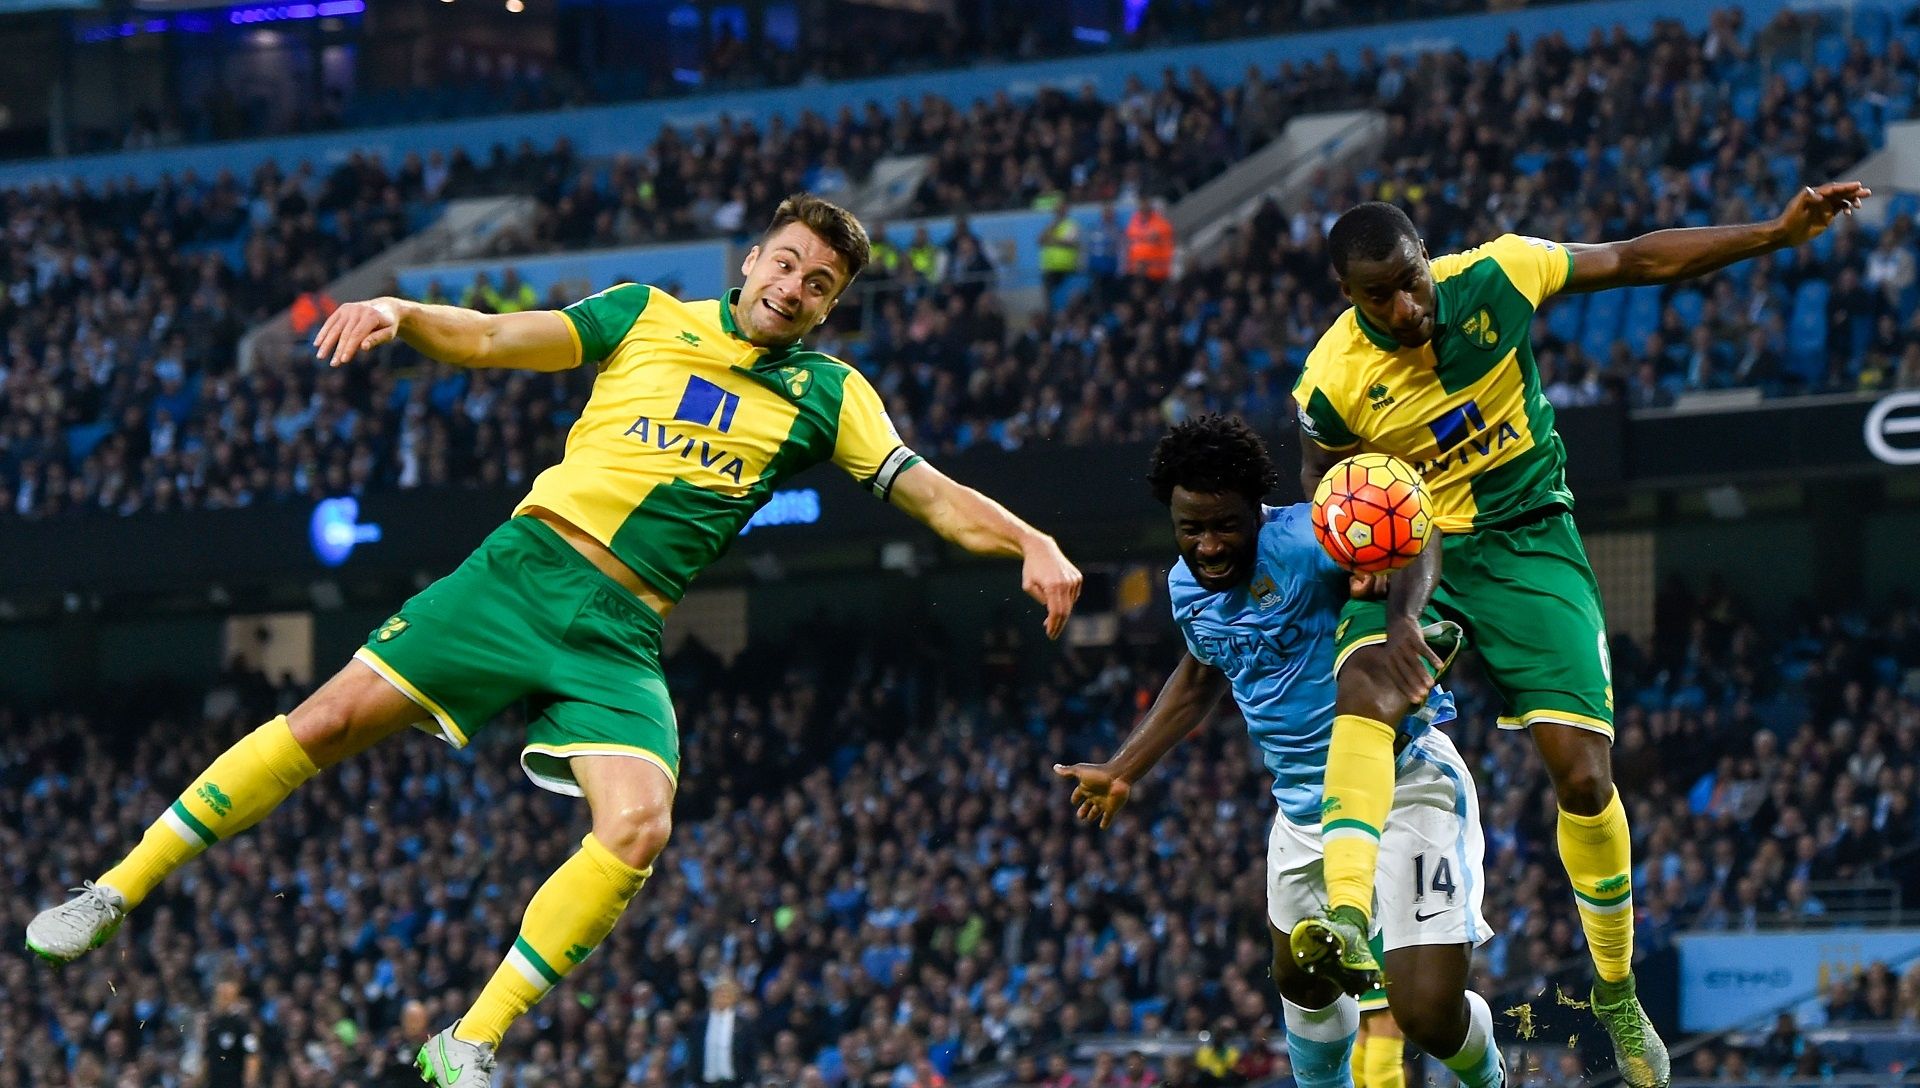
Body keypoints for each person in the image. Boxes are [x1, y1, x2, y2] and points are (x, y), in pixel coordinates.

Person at [25, 192, 1084, 1088]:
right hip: (521, 572)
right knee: (328, 717)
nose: (794, 288)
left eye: (819, 285)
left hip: (620, 631)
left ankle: (468, 1039)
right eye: (787, 263)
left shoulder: (829, 395)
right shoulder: (644, 314)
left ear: (831, 305)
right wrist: (399, 307)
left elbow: (930, 494)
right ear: (752, 258)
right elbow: (492, 336)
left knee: (640, 824)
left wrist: (1030, 536)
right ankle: (113, 887)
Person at [1290, 182, 1870, 1087]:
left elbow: (1635, 258)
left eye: (1409, 282)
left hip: (1527, 540)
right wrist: (1357, 555)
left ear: (1425, 258)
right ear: (1347, 295)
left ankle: (1614, 993)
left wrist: (1775, 233)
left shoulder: (1499, 274)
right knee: (1365, 685)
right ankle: (1350, 921)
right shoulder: (1331, 378)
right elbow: (1321, 476)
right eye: (1377, 296)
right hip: (1418, 556)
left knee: (1584, 773)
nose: (1403, 307)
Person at [1054, 415, 1503, 1088]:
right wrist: (1124, 768)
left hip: (1405, 786)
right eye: (1190, 529)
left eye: (1224, 525)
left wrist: (1403, 614)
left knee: (1428, 1015)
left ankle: (1494, 1077)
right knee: (1306, 993)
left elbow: (1417, 532)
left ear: (1255, 511)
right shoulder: (1185, 588)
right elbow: (1202, 673)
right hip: (1300, 818)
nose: (1207, 545)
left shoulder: (1308, 538)